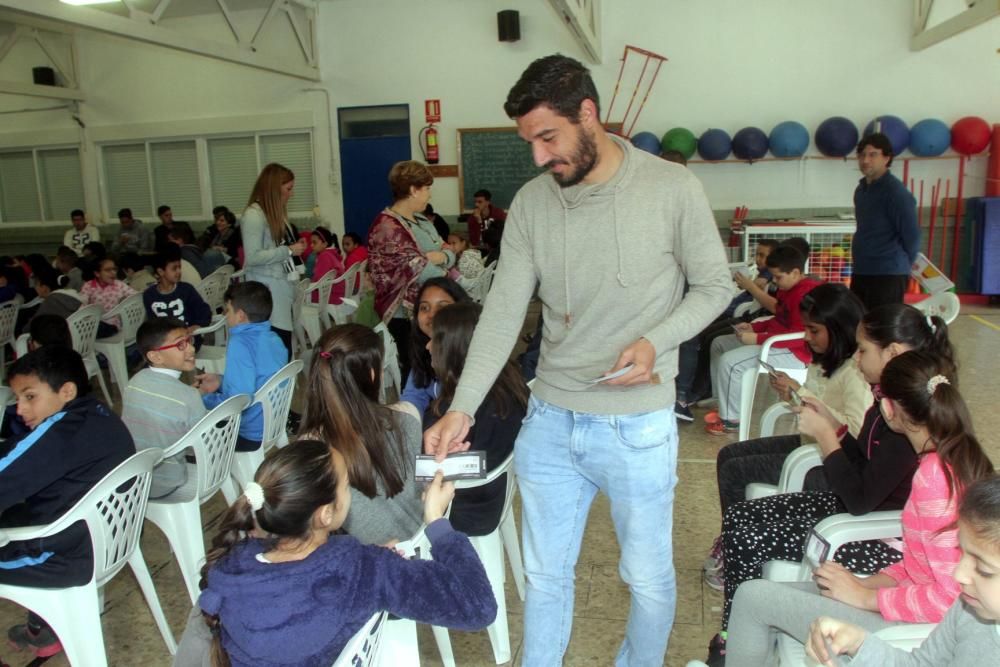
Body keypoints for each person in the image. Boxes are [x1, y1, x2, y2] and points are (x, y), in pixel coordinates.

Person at [423, 54, 732, 666]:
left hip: (637, 425)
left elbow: (715, 287)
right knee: (544, 578)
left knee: (646, 579)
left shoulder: (672, 189)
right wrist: (462, 409)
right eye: (529, 141)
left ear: (588, 114)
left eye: (548, 137)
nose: (539, 156)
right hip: (551, 421)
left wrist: (658, 340)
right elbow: (504, 313)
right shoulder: (535, 205)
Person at [702, 304, 956, 664]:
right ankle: (745, 629)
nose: (856, 359)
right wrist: (833, 428)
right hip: (869, 521)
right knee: (742, 516)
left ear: (893, 353)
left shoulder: (918, 439)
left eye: (863, 350)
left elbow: (860, 500)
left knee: (749, 539)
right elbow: (862, 460)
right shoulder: (893, 406)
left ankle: (737, 634)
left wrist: (825, 439)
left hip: (869, 527)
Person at [191, 440, 496, 667]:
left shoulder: (230, 568)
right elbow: (478, 606)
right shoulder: (364, 570)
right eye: (347, 486)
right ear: (325, 515)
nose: (349, 494)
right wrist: (437, 521)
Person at [703, 283, 871, 587]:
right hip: (812, 446)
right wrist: (792, 393)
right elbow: (819, 407)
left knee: (738, 469)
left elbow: (855, 438)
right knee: (728, 455)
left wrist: (800, 392)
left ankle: (740, 552)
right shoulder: (830, 361)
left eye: (814, 330)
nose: (807, 337)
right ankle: (733, 539)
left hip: (827, 462)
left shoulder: (856, 374)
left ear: (839, 328)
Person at [2, 346, 134, 659]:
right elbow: (20, 450)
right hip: (107, 538)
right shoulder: (97, 413)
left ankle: (44, 624)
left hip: (66, 556)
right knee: (19, 510)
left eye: (29, 396)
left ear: (66, 391)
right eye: (17, 399)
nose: (20, 410)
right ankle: (43, 626)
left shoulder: (59, 433)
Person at [805, 474, 1000, 667]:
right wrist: (859, 644)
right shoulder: (968, 608)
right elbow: (921, 663)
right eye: (961, 553)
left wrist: (865, 596)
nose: (959, 574)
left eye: (983, 570)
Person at [298, 324, 425, 545]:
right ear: (373, 374)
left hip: (372, 564)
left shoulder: (309, 451)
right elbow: (424, 486)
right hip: (427, 539)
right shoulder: (407, 416)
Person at [426, 301, 528, 536]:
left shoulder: (459, 413)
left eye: (435, 341)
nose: (428, 346)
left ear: (454, 348)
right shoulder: (507, 388)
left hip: (462, 512)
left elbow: (434, 468)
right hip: (492, 500)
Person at [706, 244, 820, 434]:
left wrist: (758, 338)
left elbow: (799, 335)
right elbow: (779, 319)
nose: (774, 281)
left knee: (731, 362)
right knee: (719, 344)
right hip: (776, 341)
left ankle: (731, 420)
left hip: (794, 351)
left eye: (778, 277)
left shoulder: (806, 294)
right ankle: (722, 402)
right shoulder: (787, 288)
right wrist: (754, 327)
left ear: (795, 272)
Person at [367, 160, 455, 383]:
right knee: (417, 371)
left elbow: (448, 250)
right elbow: (418, 268)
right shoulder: (387, 227)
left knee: (437, 365)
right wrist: (443, 272)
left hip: (430, 306)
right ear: (413, 190)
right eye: (426, 189)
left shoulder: (422, 221)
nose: (429, 195)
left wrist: (440, 256)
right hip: (404, 316)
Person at [195, 281, 285, 452]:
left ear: (241, 315)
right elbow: (258, 380)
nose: (225, 316)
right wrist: (221, 381)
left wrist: (203, 397)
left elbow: (239, 400)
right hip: (274, 423)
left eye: (227, 311)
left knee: (193, 427)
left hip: (248, 434)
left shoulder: (240, 343)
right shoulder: (274, 339)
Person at [122, 318, 207, 499]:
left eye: (189, 340)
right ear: (155, 356)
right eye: (180, 345)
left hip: (133, 480)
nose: (191, 349)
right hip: (167, 482)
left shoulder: (134, 382)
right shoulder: (188, 396)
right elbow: (202, 447)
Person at [240, 162, 306, 359]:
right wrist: (287, 251)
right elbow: (253, 257)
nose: (291, 194)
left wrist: (293, 249)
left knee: (283, 343)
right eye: (289, 189)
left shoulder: (276, 215)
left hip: (282, 288)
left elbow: (281, 247)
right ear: (274, 188)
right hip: (267, 291)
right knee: (277, 345)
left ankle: (284, 387)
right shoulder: (253, 215)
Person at [850, 133, 920, 310]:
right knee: (859, 322)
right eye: (862, 155)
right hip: (862, 268)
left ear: (886, 158)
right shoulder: (861, 190)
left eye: (873, 154)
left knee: (882, 327)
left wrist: (901, 265)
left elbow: (912, 236)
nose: (865, 160)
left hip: (888, 273)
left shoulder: (896, 193)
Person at [400, 278, 472, 416]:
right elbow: (414, 396)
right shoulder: (423, 348)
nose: (432, 315)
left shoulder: (470, 356)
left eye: (442, 307)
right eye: (424, 308)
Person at [143, 248, 212, 332]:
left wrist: (197, 325)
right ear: (161, 272)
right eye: (174, 268)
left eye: (179, 267)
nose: (179, 271)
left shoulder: (186, 289)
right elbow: (152, 323)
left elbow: (204, 310)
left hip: (188, 336)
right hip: (165, 340)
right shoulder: (149, 295)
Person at [80, 256, 137, 337]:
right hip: (92, 323)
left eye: (114, 269)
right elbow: (82, 305)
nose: (113, 273)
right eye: (107, 270)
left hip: (112, 325)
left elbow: (135, 296)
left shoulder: (119, 285)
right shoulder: (89, 286)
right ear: (97, 273)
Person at [308, 227, 345, 305]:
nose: (311, 245)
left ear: (325, 244)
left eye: (314, 242)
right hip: (338, 294)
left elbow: (318, 281)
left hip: (330, 296)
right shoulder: (331, 254)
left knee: (299, 296)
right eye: (311, 242)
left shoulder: (324, 256)